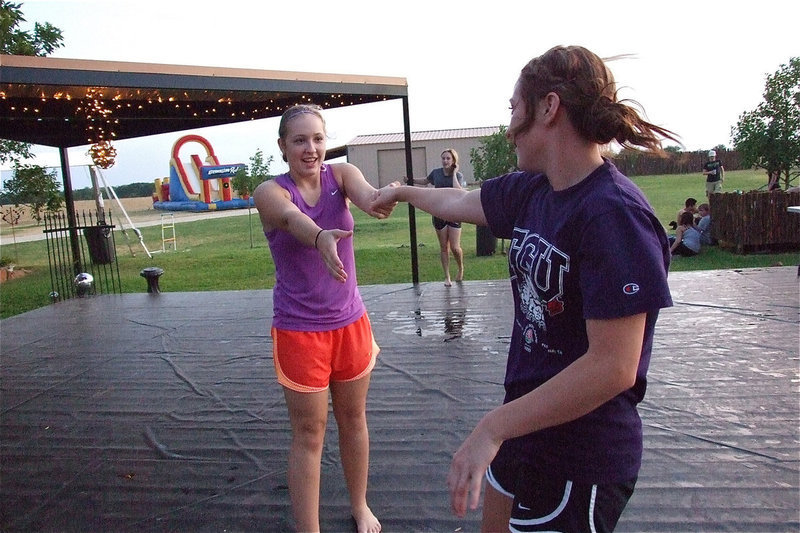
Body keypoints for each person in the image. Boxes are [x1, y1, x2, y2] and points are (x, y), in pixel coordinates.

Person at [372, 45, 675, 532]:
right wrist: (403, 192)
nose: (510, 125)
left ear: (548, 108)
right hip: (526, 428)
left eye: (514, 108)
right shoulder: (535, 189)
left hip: (579, 456)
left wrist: (493, 428)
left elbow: (613, 367)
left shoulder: (612, 214)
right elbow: (463, 199)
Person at [253, 104, 395, 533]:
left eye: (317, 138)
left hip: (350, 323)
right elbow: (291, 218)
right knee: (310, 433)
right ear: (283, 147)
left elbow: (369, 195)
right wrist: (319, 238)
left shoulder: (341, 175)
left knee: (354, 419)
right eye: (299, 140)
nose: (311, 148)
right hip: (300, 332)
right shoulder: (269, 192)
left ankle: (359, 505)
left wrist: (389, 197)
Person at [425, 149, 466, 286]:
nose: (445, 161)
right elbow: (425, 181)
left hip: (454, 213)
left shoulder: (458, 175)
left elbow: (458, 190)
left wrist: (453, 173)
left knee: (455, 247)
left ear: (453, 160)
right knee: (444, 247)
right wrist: (410, 179)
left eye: (448, 158)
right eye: (443, 158)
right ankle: (447, 276)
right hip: (439, 213)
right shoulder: (436, 173)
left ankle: (460, 268)